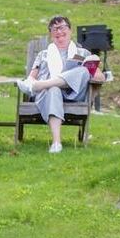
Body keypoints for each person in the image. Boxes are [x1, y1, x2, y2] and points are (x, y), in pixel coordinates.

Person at [16, 15, 105, 153]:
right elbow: (31, 79)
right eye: (54, 29)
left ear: (70, 30)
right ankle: (56, 143)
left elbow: (100, 77)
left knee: (82, 70)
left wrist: (90, 66)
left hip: (74, 94)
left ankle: (45, 84)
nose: (59, 31)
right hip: (49, 94)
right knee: (54, 89)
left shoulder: (82, 53)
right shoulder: (43, 54)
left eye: (62, 27)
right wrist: (37, 83)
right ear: (51, 34)